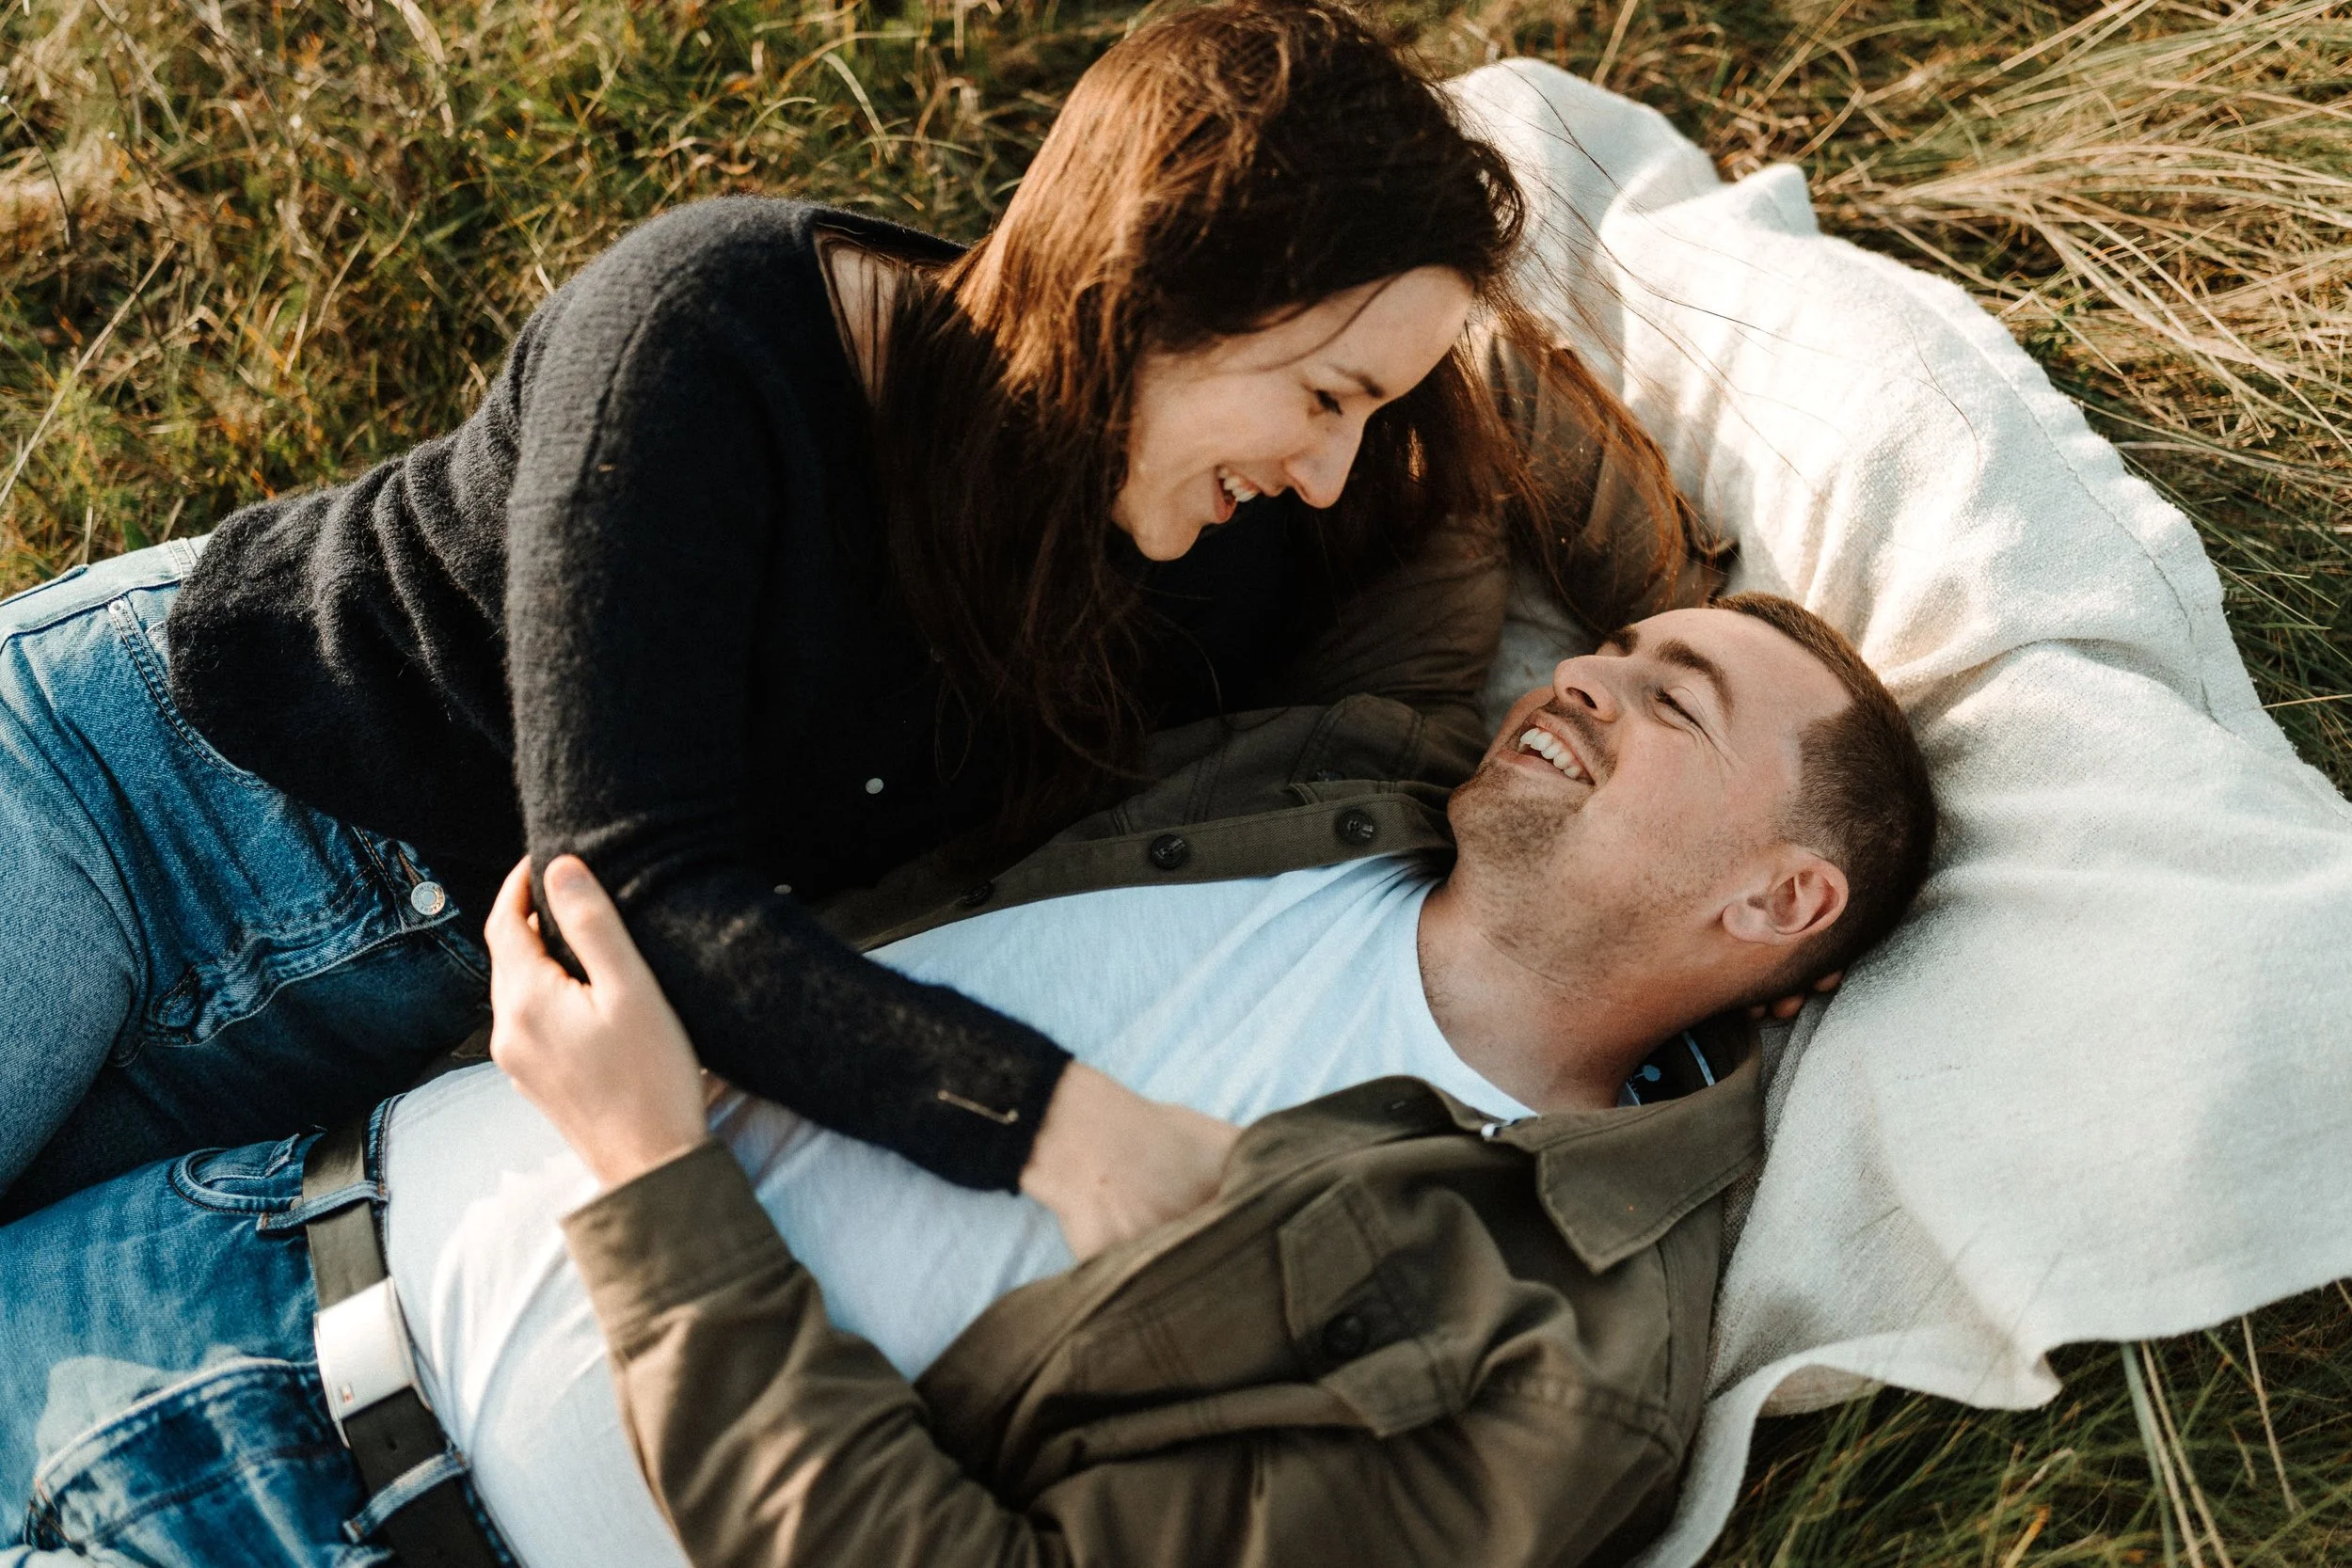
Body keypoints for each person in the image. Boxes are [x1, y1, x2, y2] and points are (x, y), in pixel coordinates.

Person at [0, 0, 1704, 1245]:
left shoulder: (1218, 556)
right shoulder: (714, 329)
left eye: (1370, 414)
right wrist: (1065, 1133)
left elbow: (1477, 503)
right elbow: (640, 892)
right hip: (132, 795)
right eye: (1321, 393)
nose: (1332, 472)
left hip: (353, 1041)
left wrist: (1699, 644)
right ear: (1169, 277)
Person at [0, 594, 1936, 1568]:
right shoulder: (1325, 771)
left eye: (1667, 696)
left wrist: (645, 1166)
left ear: (1780, 898)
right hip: (222, 1237)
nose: (1580, 678)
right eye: (1601, 641)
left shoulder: (1552, 1348)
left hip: (334, 1523)